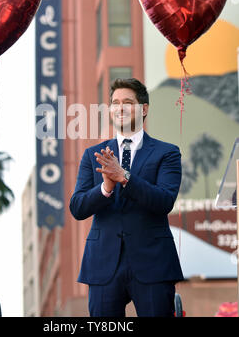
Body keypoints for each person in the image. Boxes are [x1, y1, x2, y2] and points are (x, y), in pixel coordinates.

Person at [70, 78, 183, 317]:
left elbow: (164, 200)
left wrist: (124, 177)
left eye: (128, 102)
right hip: (103, 264)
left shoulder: (168, 153)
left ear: (143, 109)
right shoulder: (93, 155)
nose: (120, 108)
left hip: (153, 262)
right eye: (115, 103)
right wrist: (106, 187)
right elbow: (78, 207)